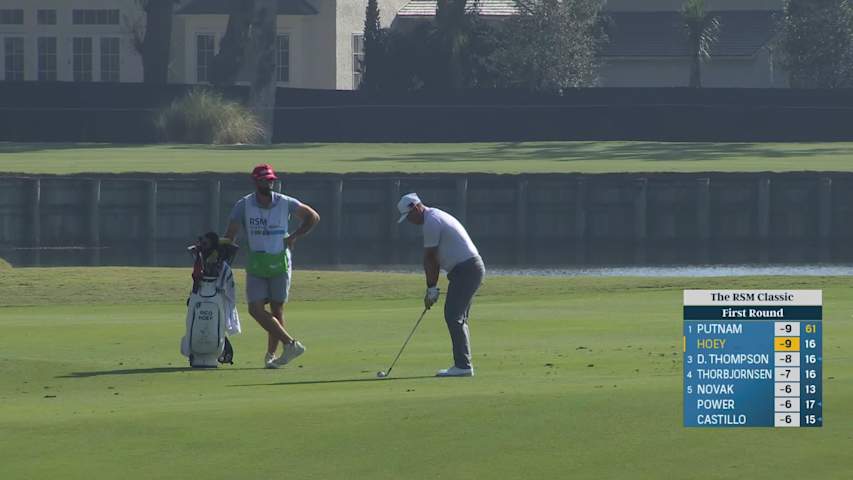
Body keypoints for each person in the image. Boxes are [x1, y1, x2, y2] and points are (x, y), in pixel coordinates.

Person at [224, 164, 320, 369]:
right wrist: (222, 250)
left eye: (271, 180)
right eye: (264, 180)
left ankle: (272, 356)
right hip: (257, 263)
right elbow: (231, 233)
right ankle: (291, 344)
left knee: (277, 310)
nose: (268, 183)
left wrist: (295, 236)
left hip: (280, 263)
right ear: (255, 182)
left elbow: (313, 216)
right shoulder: (244, 205)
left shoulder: (285, 202)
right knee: (255, 309)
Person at [396, 192, 485, 377]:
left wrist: (431, 288)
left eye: (409, 216)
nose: (410, 221)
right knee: (458, 317)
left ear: (416, 207)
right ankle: (464, 364)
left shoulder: (432, 221)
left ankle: (463, 366)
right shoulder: (433, 217)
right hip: (467, 269)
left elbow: (430, 258)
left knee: (453, 316)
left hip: (466, 270)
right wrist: (432, 288)